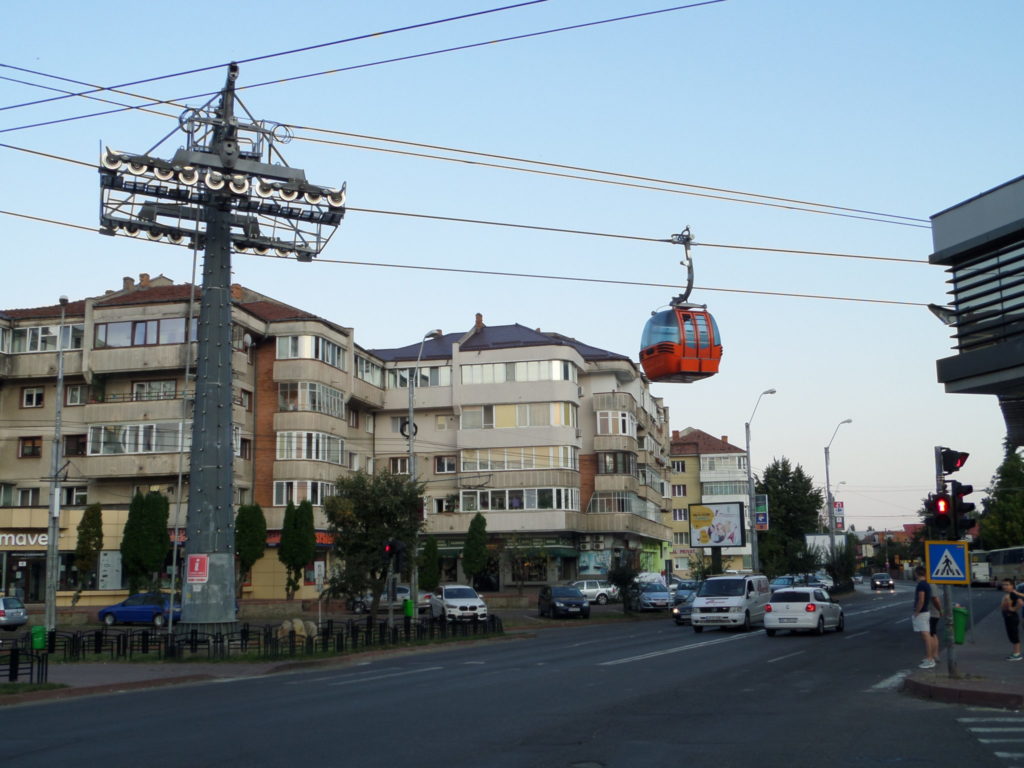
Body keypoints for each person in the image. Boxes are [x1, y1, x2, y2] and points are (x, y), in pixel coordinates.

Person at [912, 566, 936, 669]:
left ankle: (930, 659)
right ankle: (929, 657)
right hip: (925, 612)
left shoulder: (921, 585)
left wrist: (916, 612)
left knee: (926, 636)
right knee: (925, 635)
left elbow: (921, 600)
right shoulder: (926, 584)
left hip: (922, 613)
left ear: (917, 574)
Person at [1000, 579, 1023, 661]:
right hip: (1009, 617)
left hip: (1011, 617)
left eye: (1007, 584)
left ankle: (1017, 654)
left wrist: (1013, 609)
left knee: (1014, 636)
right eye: (1003, 584)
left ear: (1012, 586)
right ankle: (1015, 653)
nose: (1004, 586)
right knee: (1012, 635)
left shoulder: (1013, 594)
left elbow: (1020, 602)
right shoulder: (1009, 594)